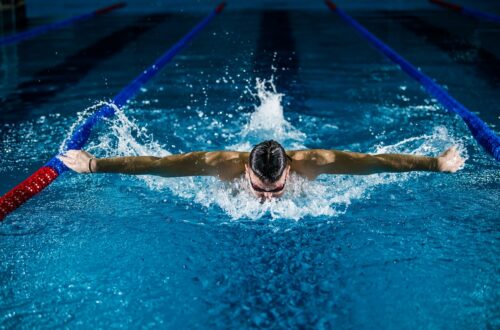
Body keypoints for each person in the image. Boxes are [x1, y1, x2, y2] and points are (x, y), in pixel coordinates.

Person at [58, 140, 464, 201]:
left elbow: (377, 164)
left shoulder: (315, 162)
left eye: (275, 189)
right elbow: (160, 167)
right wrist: (94, 164)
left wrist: (436, 164)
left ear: (289, 168)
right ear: (246, 171)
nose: (267, 198)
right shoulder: (221, 165)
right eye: (259, 187)